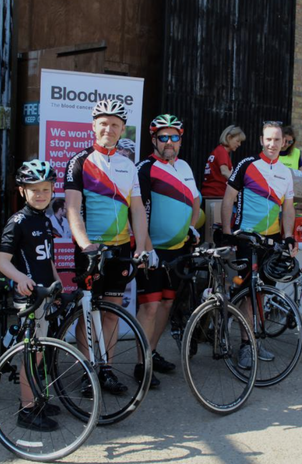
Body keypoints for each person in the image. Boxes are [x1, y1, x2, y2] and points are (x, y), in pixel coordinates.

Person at [64, 99, 150, 394]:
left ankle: (107, 370)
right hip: (92, 251)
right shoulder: (79, 161)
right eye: (103, 123)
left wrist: (140, 248)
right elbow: (72, 209)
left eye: (114, 124)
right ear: (93, 126)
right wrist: (86, 245)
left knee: (113, 311)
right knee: (88, 313)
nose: (108, 129)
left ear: (122, 129)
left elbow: (137, 210)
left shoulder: (128, 165)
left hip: (121, 249)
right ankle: (87, 371)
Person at [221, 121, 297, 370]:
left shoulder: (286, 173)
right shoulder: (247, 164)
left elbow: (288, 208)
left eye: (277, 140)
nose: (273, 144)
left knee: (263, 292)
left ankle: (254, 339)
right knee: (249, 293)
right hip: (246, 238)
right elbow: (228, 197)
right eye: (269, 139)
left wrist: (288, 236)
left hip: (271, 240)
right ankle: (245, 344)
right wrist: (227, 232)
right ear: (261, 141)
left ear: (284, 142)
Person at [135, 114, 200, 388]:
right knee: (149, 307)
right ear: (154, 140)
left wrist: (192, 228)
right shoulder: (145, 168)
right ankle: (141, 365)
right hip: (154, 251)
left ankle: (150, 352)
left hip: (178, 250)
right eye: (164, 137)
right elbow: (137, 212)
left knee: (167, 304)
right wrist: (146, 248)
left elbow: (196, 200)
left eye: (175, 137)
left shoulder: (184, 166)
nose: (170, 142)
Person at [0, 160, 62, 431]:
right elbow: (3, 262)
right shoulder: (18, 222)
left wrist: (58, 283)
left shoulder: (46, 221)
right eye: (34, 189)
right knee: (32, 353)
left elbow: (47, 259)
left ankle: (37, 398)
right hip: (28, 296)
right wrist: (22, 279)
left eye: (46, 189)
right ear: (22, 191)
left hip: (46, 294)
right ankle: (27, 409)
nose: (40, 195)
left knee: (43, 351)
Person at [200, 125, 246, 198]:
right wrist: (239, 185)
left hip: (211, 194)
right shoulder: (222, 152)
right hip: (216, 194)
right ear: (229, 138)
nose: (239, 144)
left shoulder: (219, 151)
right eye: (237, 141)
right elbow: (224, 171)